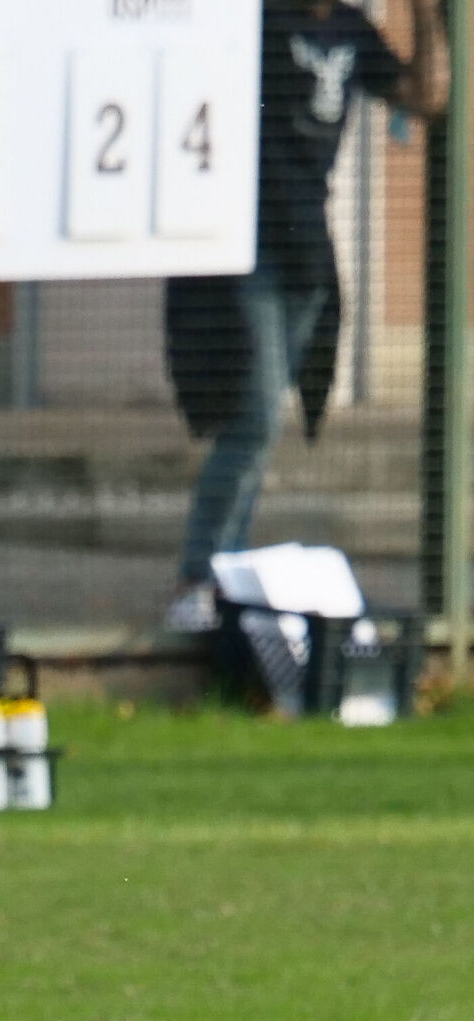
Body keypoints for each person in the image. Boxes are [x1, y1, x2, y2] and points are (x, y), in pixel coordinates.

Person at [162, 0, 448, 631]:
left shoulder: (351, 29)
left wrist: (427, 13)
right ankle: (197, 577)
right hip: (245, 250)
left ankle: (226, 583)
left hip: (307, 252)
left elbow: (427, 96)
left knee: (261, 431)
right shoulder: (259, 20)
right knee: (253, 419)